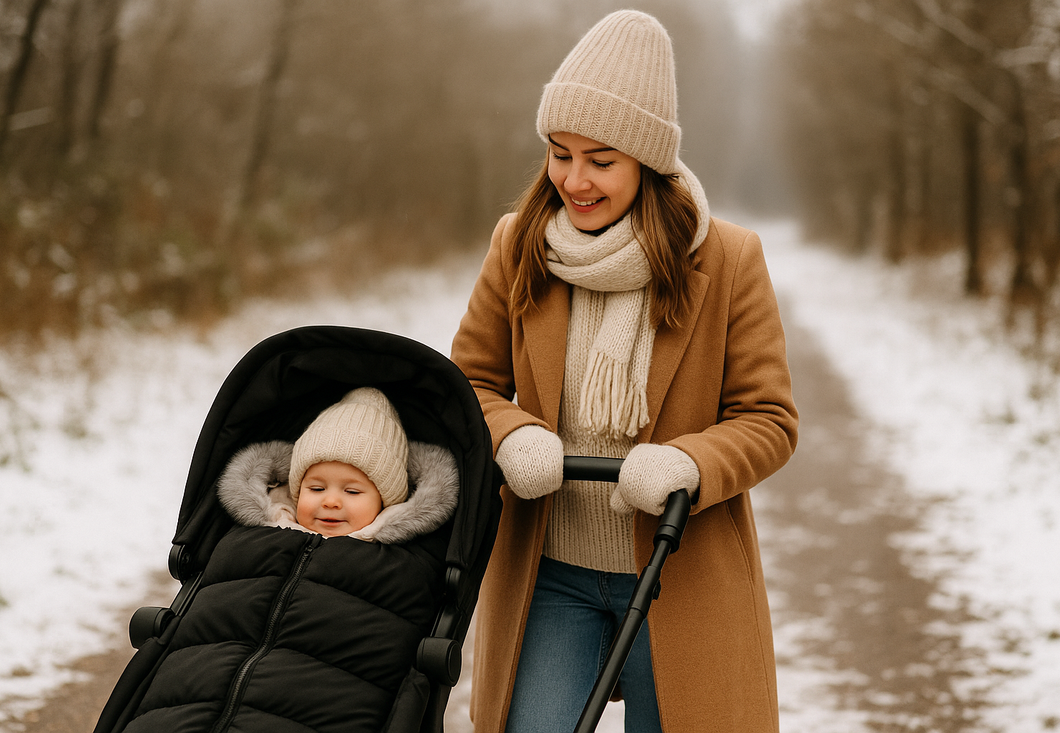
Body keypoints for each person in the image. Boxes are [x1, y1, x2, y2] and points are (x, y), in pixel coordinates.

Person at [450, 9, 799, 733]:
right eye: (559, 152)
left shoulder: (729, 260)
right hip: (549, 572)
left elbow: (769, 420)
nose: (573, 180)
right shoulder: (518, 244)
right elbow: (470, 385)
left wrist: (688, 463)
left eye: (600, 160)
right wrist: (512, 435)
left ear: (647, 160)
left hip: (682, 570)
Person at [218, 386, 457, 543]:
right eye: (316, 489)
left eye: (352, 491)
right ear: (297, 492)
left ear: (385, 503)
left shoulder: (395, 558)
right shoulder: (261, 531)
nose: (330, 502)